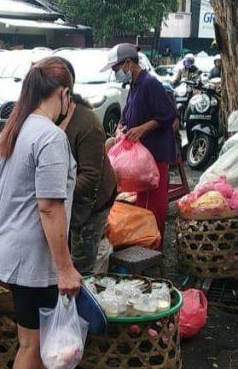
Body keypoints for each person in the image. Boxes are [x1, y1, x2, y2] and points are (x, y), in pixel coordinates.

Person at [0, 57, 83, 369]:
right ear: (62, 94)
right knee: (30, 344)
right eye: (70, 96)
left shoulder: (17, 128)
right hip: (33, 255)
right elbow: (49, 205)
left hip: (17, 249)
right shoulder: (49, 136)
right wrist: (65, 266)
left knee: (42, 335)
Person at [104, 43, 178, 243]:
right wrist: (122, 127)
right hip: (140, 157)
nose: (116, 73)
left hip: (156, 153)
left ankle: (155, 244)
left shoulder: (150, 84)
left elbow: (168, 115)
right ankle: (144, 241)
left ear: (128, 63)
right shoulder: (134, 86)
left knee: (155, 203)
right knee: (142, 202)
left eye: (116, 69)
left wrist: (143, 128)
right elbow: (127, 115)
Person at [57, 59, 117, 273]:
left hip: (93, 201)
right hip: (68, 198)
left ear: (64, 93)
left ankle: (83, 301)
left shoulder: (87, 123)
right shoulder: (53, 116)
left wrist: (53, 193)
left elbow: (90, 176)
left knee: (81, 261)